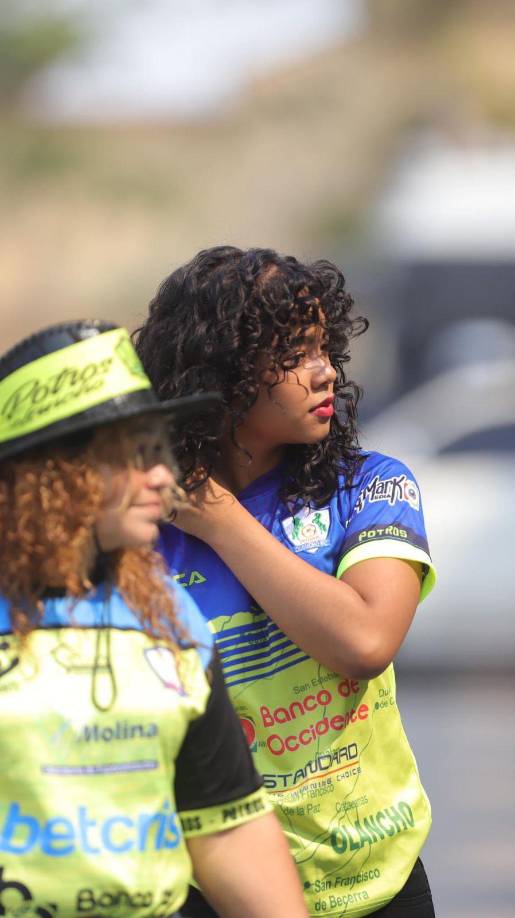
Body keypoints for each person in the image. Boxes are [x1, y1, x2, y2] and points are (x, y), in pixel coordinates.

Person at [135, 246, 437, 918]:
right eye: (297, 352)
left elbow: (363, 642)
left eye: (326, 347)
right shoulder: (138, 521)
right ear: (220, 370)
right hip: (206, 887)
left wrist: (219, 521)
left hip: (373, 884)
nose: (326, 371)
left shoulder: (368, 484)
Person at [0, 319, 309, 918]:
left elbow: (226, 826)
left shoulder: (172, 622)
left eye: (159, 452)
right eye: (134, 456)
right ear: (57, 474)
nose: (163, 477)